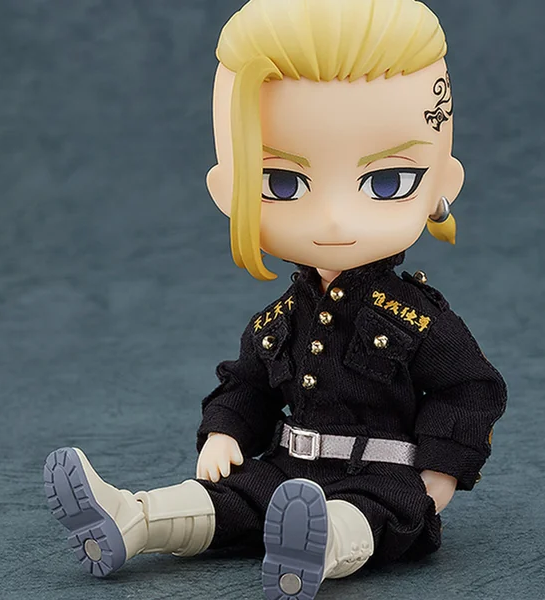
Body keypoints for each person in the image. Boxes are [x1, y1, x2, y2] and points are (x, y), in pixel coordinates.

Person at [43, 1, 507, 598]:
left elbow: (470, 388)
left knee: (366, 514)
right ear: (227, 190)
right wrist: (225, 434)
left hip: (383, 473)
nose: (334, 219)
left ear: (443, 182)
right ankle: (133, 520)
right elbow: (247, 384)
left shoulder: (416, 319)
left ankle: (315, 549)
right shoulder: (278, 319)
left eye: (386, 182)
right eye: (282, 184)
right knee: (232, 496)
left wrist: (441, 469)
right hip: (288, 467)